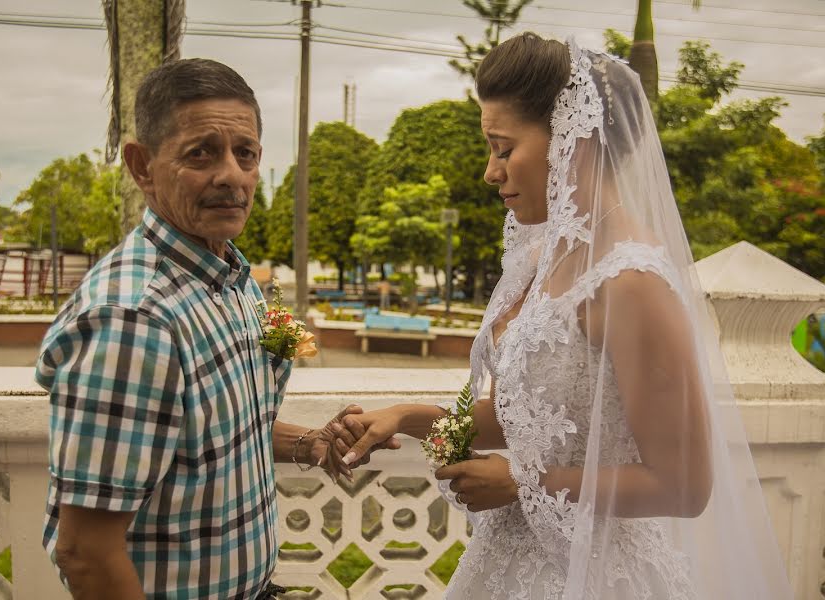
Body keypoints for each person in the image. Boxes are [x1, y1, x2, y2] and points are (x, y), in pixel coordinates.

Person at [340, 34, 793, 598]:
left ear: (574, 142)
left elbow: (684, 485)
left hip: (592, 575)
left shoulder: (630, 282)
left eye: (503, 149)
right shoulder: (542, 257)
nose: (490, 172)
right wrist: (408, 417)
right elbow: (543, 417)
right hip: (507, 563)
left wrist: (524, 483)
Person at [35, 58, 394, 600]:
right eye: (201, 152)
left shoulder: (229, 277)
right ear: (142, 166)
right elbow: (85, 551)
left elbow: (212, 431)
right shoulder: (135, 319)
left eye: (244, 154)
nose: (231, 175)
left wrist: (310, 443)